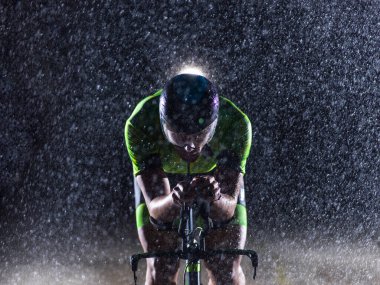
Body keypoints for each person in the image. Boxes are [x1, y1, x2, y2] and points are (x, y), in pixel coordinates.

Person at [124, 73, 252, 284]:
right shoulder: (140, 122)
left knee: (226, 270)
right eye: (180, 135)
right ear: (163, 124)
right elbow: (156, 209)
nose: (190, 146)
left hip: (213, 178)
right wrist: (174, 200)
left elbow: (227, 208)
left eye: (200, 134)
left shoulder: (236, 123)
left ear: (215, 124)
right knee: (160, 268)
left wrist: (216, 197)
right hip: (164, 181)